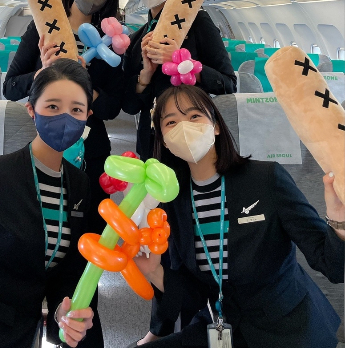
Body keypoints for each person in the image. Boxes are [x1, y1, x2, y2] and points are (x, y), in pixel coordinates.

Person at [126, 84, 345, 348]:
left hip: (287, 327)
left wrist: (339, 221)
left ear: (216, 126)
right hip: (221, 325)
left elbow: (334, 267)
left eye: (194, 116)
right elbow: (193, 294)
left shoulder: (266, 179)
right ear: (162, 139)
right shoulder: (173, 200)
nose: (184, 127)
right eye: (171, 122)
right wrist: (154, 272)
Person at [0, 59, 103, 348]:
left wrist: (61, 313)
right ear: (31, 110)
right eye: (53, 107)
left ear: (87, 117)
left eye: (76, 110)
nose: (65, 118)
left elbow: (67, 270)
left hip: (30, 325)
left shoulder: (79, 185)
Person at [3, 0, 124, 232]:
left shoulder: (109, 41)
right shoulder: (41, 29)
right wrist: (44, 72)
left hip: (91, 149)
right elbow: (10, 87)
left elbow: (112, 108)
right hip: (43, 143)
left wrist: (82, 83)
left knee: (90, 229)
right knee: (41, 226)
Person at [122, 0, 236, 161]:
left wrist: (185, 63)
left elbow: (228, 84)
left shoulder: (198, 23)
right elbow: (130, 106)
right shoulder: (137, 39)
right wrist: (145, 76)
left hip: (193, 141)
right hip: (152, 142)